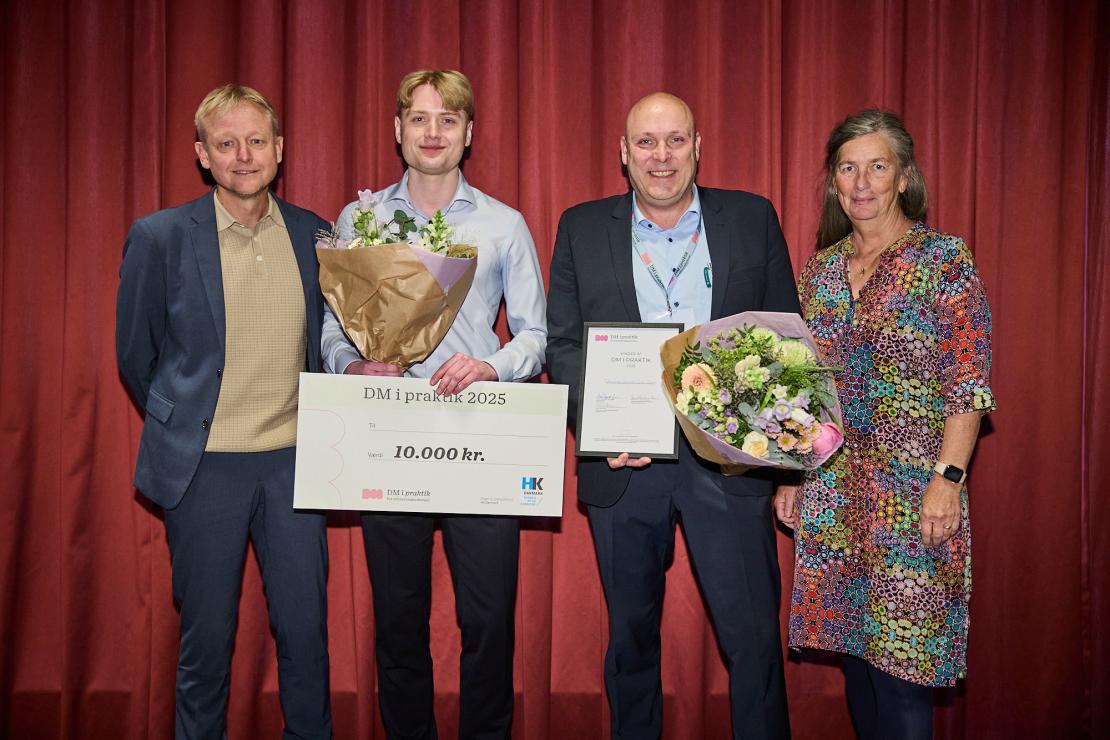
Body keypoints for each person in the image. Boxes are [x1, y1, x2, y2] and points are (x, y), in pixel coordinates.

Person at [546, 92, 797, 740]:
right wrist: (598, 431)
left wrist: (788, 462)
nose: (663, 157)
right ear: (624, 153)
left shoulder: (750, 218)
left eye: (676, 140)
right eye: (648, 143)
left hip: (730, 466)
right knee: (630, 645)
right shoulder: (580, 225)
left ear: (698, 147)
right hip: (625, 467)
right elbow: (565, 344)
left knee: (755, 647)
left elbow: (784, 338)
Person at [321, 69, 547, 739]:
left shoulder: (505, 224)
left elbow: (537, 334)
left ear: (468, 134)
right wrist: (353, 362)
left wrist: (492, 364)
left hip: (483, 439)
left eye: (447, 120)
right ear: (397, 130)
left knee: (487, 623)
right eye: (419, 119)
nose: (432, 132)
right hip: (390, 438)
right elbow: (332, 327)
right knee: (398, 621)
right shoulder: (359, 221)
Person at [116, 84, 332, 739]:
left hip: (296, 465)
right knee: (206, 645)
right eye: (227, 143)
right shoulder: (159, 237)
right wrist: (182, 420)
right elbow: (136, 354)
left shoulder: (315, 234)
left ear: (280, 149)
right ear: (202, 155)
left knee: (306, 638)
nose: (244, 155)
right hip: (203, 470)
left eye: (257, 141)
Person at [773, 109, 996, 740]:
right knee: (860, 667)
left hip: (913, 495)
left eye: (877, 166)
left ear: (903, 177)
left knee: (904, 675)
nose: (862, 182)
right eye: (848, 167)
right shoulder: (818, 273)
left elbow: (968, 382)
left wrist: (948, 479)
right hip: (833, 495)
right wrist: (791, 475)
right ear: (834, 183)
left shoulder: (943, 260)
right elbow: (804, 386)